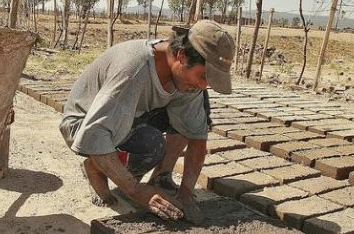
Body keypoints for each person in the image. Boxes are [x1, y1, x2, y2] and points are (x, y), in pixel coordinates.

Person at [59, 19, 234, 222]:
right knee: (151, 145)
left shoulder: (186, 77)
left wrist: (186, 192)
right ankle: (95, 168)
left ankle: (161, 176)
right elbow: (94, 133)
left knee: (194, 108)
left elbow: (196, 135)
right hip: (85, 123)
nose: (203, 85)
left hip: (130, 113)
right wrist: (136, 190)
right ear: (182, 56)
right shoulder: (134, 69)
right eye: (203, 76)